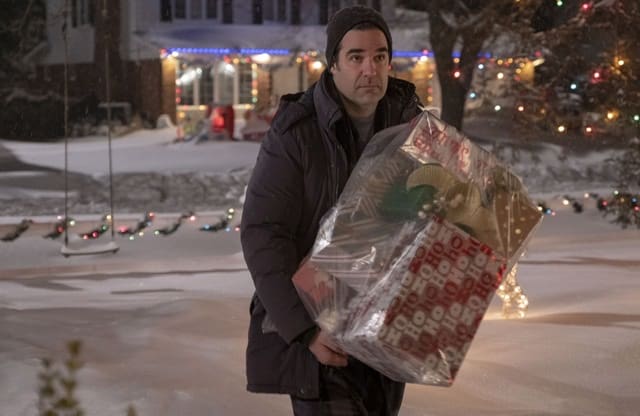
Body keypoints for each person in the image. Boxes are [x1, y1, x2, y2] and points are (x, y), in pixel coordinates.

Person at [241, 5, 422, 415]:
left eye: (379, 57)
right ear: (333, 64)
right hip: (320, 331)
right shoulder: (296, 133)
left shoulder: (412, 127)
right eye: (356, 57)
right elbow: (262, 233)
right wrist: (304, 331)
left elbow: (430, 217)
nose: (369, 70)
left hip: (381, 335)